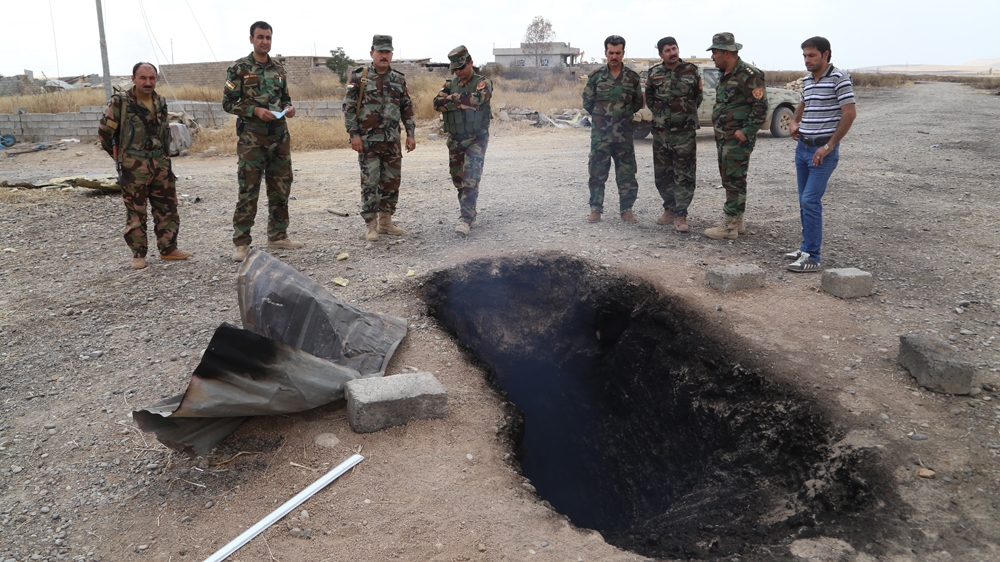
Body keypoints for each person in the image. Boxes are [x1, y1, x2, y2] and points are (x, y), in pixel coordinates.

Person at [98, 62, 191, 270]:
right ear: (133, 79)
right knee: (136, 210)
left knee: (167, 207)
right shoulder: (120, 102)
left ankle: (168, 249)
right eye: (143, 78)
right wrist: (122, 157)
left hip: (160, 162)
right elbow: (105, 133)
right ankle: (138, 253)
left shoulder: (160, 101)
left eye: (152, 78)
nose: (148, 82)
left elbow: (163, 132)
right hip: (134, 165)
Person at [223, 21, 301, 262]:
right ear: (251, 39)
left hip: (279, 136)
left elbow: (285, 97)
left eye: (268, 37)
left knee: (281, 186)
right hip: (252, 139)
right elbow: (228, 103)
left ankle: (277, 235)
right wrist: (254, 111)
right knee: (249, 189)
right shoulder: (239, 68)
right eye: (260, 37)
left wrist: (289, 108)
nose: (264, 41)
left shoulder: (278, 69)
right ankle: (242, 242)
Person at [785, 37, 856, 272]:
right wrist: (794, 122)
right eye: (805, 55)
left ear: (826, 54)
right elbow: (804, 104)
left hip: (821, 151)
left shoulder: (839, 79)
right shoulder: (808, 80)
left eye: (812, 55)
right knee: (803, 199)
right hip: (803, 147)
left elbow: (849, 114)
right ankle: (806, 247)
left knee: (810, 200)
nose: (807, 60)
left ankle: (813, 257)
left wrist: (829, 146)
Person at [343, 34, 417, 242]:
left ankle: (386, 222)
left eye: (387, 52)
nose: (384, 56)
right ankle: (371, 225)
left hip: (392, 141)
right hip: (367, 142)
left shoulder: (399, 79)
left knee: (391, 182)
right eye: (380, 51)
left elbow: (407, 108)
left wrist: (411, 133)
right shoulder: (359, 76)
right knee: (370, 182)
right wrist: (353, 135)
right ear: (372, 53)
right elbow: (349, 108)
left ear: (392, 54)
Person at [703, 32, 768, 240]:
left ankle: (729, 226)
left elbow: (760, 107)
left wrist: (746, 131)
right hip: (724, 136)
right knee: (731, 178)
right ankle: (737, 220)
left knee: (734, 178)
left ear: (726, 53)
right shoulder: (726, 73)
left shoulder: (749, 74)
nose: (712, 56)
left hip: (736, 138)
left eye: (714, 52)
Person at [582, 35, 644, 223]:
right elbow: (587, 102)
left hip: (624, 135)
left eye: (618, 53)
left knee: (626, 173)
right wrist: (603, 117)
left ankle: (626, 209)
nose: (614, 56)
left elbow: (636, 103)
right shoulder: (596, 77)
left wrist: (621, 116)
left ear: (623, 53)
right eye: (611, 53)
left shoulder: (632, 78)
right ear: (605, 53)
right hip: (601, 135)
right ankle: (595, 209)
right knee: (597, 172)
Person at [433, 46, 493, 235]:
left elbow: (478, 99)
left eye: (461, 67)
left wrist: (453, 100)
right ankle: (470, 212)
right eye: (455, 69)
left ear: (471, 63)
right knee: (458, 180)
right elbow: (436, 103)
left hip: (476, 139)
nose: (458, 72)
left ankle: (465, 219)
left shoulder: (483, 82)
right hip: (455, 139)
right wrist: (460, 101)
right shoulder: (450, 83)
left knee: (470, 179)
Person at [645, 37, 703, 232]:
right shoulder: (654, 73)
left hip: (684, 133)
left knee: (684, 174)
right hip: (661, 133)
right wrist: (663, 116)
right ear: (661, 54)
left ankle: (681, 214)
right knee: (663, 174)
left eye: (674, 48)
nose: (672, 52)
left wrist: (682, 115)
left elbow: (698, 97)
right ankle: (669, 208)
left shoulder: (691, 71)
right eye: (667, 50)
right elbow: (651, 99)